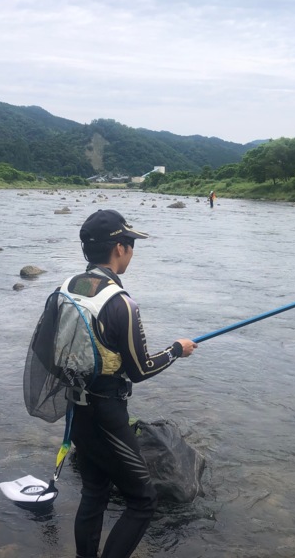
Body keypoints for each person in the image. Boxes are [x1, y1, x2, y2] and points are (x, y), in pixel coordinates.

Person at [66, 209, 197, 558]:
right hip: (106, 412)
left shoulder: (69, 288)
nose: (132, 252)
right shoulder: (120, 303)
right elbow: (140, 369)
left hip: (75, 408)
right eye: (131, 245)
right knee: (142, 500)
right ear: (119, 248)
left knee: (94, 490)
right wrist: (176, 350)